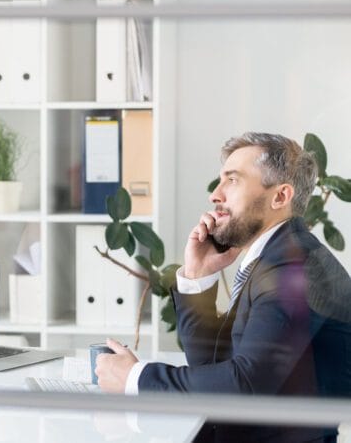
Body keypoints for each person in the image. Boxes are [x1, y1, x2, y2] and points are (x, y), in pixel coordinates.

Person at [95, 132, 351, 443]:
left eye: (232, 180)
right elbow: (214, 365)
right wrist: (196, 275)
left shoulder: (295, 268)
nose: (215, 195)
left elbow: (245, 385)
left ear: (280, 197)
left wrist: (136, 378)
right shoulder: (273, 257)